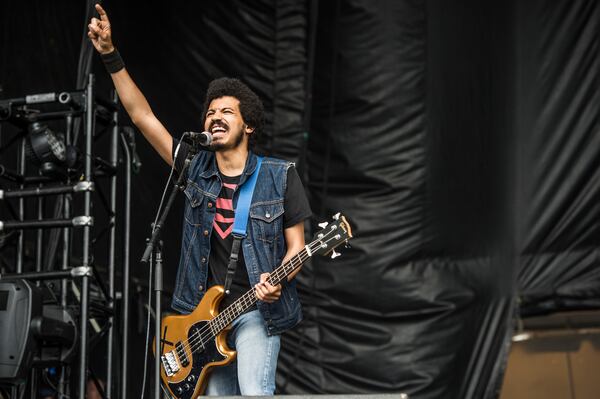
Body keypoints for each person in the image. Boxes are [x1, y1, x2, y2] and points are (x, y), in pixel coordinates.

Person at [88, 4, 312, 396]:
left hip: (256, 311)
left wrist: (278, 282)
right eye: (211, 112)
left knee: (256, 393)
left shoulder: (279, 176)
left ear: (249, 124)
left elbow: (297, 247)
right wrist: (110, 54)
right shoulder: (194, 166)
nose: (216, 117)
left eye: (228, 111)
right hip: (202, 319)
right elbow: (142, 116)